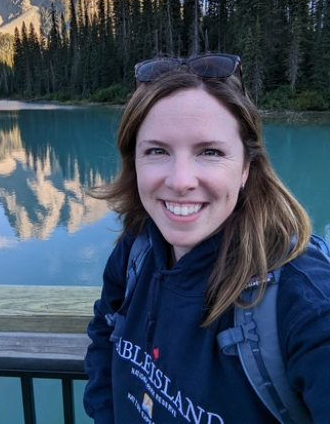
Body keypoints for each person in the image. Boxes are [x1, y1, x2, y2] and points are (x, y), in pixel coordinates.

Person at [83, 54, 330, 424]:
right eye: (157, 151)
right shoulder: (138, 246)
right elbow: (104, 333)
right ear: (134, 161)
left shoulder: (304, 303)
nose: (181, 181)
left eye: (210, 152)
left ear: (246, 167)